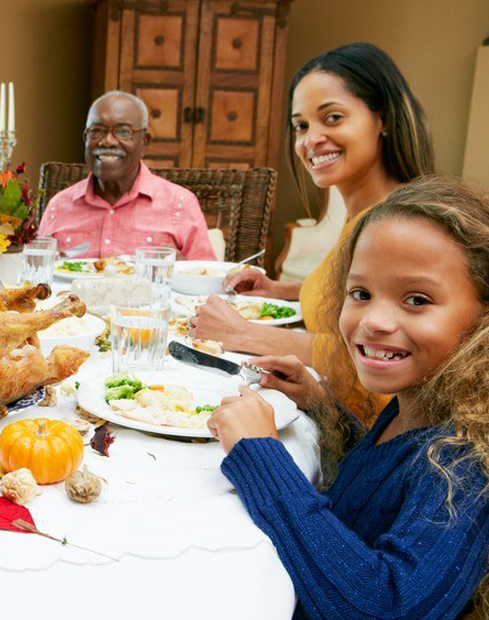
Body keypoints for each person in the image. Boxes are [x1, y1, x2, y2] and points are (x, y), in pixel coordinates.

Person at [207, 176, 489, 619]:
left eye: (416, 299)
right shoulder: (417, 402)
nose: (374, 320)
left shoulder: (468, 465)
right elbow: (376, 491)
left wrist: (260, 455)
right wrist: (320, 406)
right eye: (361, 293)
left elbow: (387, 608)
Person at [192, 42, 434, 422]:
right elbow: (349, 295)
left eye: (333, 118)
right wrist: (280, 290)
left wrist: (242, 333)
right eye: (301, 126)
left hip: (369, 434)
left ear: (381, 119)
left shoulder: (395, 226)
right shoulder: (365, 215)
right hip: (329, 406)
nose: (310, 139)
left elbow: (376, 350)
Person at [36, 91, 215, 260]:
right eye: (97, 130)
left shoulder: (181, 204)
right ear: (85, 138)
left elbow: (206, 279)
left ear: (144, 142)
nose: (107, 141)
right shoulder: (59, 206)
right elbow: (35, 277)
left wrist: (180, 270)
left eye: (123, 131)